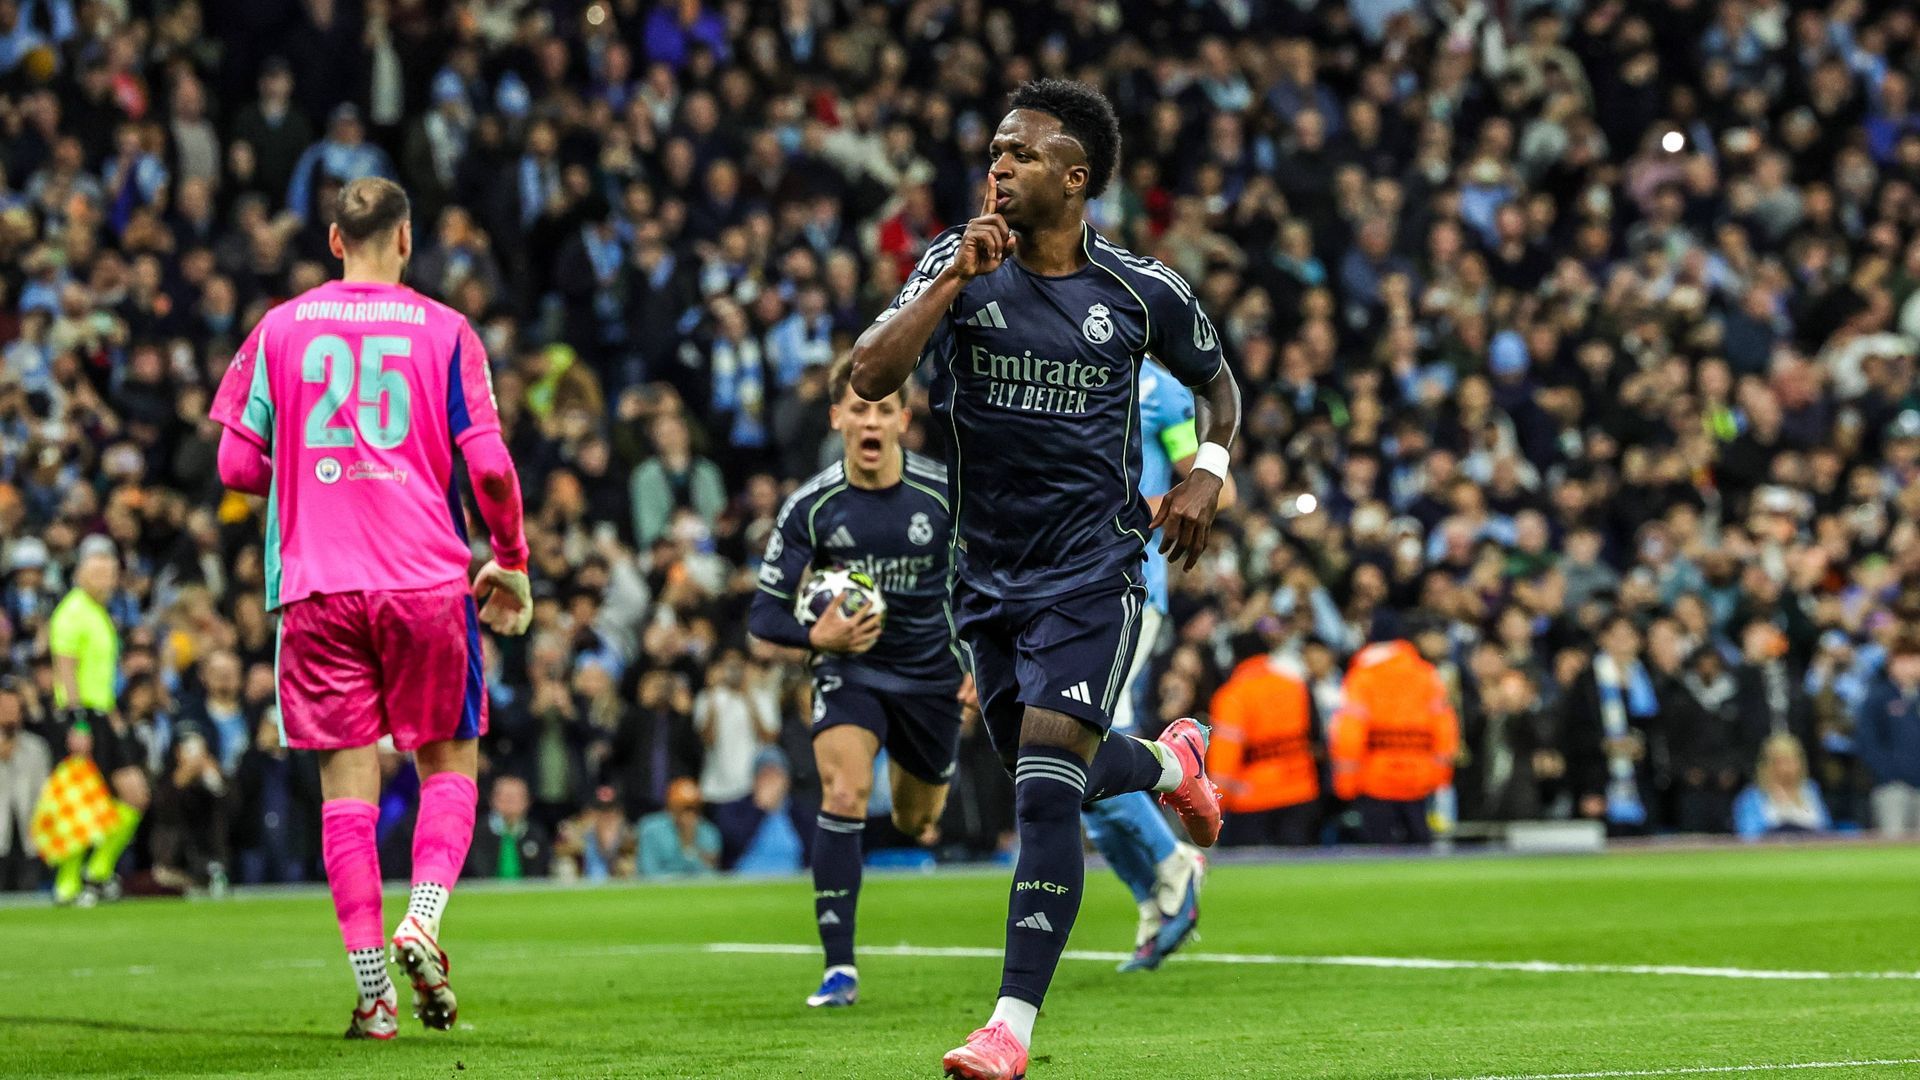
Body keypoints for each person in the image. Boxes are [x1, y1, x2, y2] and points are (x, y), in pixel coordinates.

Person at [846, 79, 1241, 1076]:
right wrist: (949, 282)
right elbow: (870, 374)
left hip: (1093, 570)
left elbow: (1219, 384)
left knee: (1044, 792)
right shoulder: (956, 263)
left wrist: (1207, 470)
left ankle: (1009, 1028)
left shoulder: (1141, 291)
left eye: (1020, 153)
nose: (999, 166)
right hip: (985, 579)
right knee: (1045, 767)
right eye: (995, 151)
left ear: (1075, 177)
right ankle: (1170, 766)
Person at [210, 177, 532, 1040]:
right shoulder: (447, 330)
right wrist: (511, 560)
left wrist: (317, 475)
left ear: (333, 241)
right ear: (407, 238)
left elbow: (234, 469)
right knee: (448, 761)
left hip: (317, 586)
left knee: (346, 792)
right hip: (425, 582)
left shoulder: (281, 328)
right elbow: (491, 468)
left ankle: (373, 996)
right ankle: (422, 920)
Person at [746, 354, 965, 1008]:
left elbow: (990, 583)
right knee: (844, 792)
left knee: (917, 818)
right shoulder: (810, 508)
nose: (871, 421)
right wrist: (817, 637)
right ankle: (839, 968)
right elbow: (764, 614)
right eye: (860, 409)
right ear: (837, 416)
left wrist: (984, 664)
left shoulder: (944, 495)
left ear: (904, 418)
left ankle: (914, 800)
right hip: (850, 669)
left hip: (931, 675)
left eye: (884, 409)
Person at [1087, 357, 1232, 974]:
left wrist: (1123, 513)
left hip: (1130, 587)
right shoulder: (1062, 364)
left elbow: (1201, 484)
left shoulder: (1159, 390)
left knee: (1085, 747)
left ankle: (1176, 863)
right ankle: (1154, 899)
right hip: (1068, 589)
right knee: (1072, 774)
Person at [48, 549, 144, 906]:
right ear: (81, 576)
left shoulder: (98, 613)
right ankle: (67, 883)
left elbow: (100, 672)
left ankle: (98, 871)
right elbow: (66, 671)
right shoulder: (72, 613)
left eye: (111, 574)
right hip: (80, 715)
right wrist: (78, 723)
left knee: (135, 795)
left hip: (103, 713)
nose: (107, 581)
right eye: (99, 574)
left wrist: (112, 714)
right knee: (82, 801)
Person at [1329, 632, 1460, 845]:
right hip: (1418, 779)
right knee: (1420, 849)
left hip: (1376, 780)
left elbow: (1349, 734)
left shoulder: (1361, 677)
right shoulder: (1426, 674)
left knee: (1378, 851)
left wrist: (1346, 783)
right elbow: (1445, 730)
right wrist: (1440, 777)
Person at [1856, 636, 1920, 838]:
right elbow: (1867, 741)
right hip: (1892, 787)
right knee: (1893, 840)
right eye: (1905, 659)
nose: (1912, 666)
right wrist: (1889, 774)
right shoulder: (1878, 696)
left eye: (1915, 659)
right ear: (1892, 663)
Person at [1734, 734, 1831, 840]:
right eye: (1780, 761)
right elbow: (1749, 836)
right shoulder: (1751, 797)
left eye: (1792, 760)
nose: (1787, 767)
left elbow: (1827, 829)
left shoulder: (1811, 789)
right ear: (1767, 765)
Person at [637, 777, 720, 878]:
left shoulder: (709, 832)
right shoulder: (650, 829)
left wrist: (689, 847)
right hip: (661, 886)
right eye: (683, 808)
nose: (688, 814)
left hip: (694, 887)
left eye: (693, 808)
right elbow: (648, 872)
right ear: (671, 807)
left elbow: (710, 874)